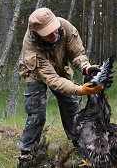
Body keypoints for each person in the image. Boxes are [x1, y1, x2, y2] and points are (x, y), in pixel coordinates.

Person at [17, 8, 103, 157]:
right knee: (36, 114)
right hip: (36, 74)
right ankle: (27, 153)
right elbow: (53, 80)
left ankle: (80, 143)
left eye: (54, 29)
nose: (54, 33)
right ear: (37, 33)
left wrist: (86, 67)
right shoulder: (31, 48)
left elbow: (77, 53)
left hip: (60, 69)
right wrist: (80, 90)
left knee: (71, 105)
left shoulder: (64, 27)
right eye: (48, 33)